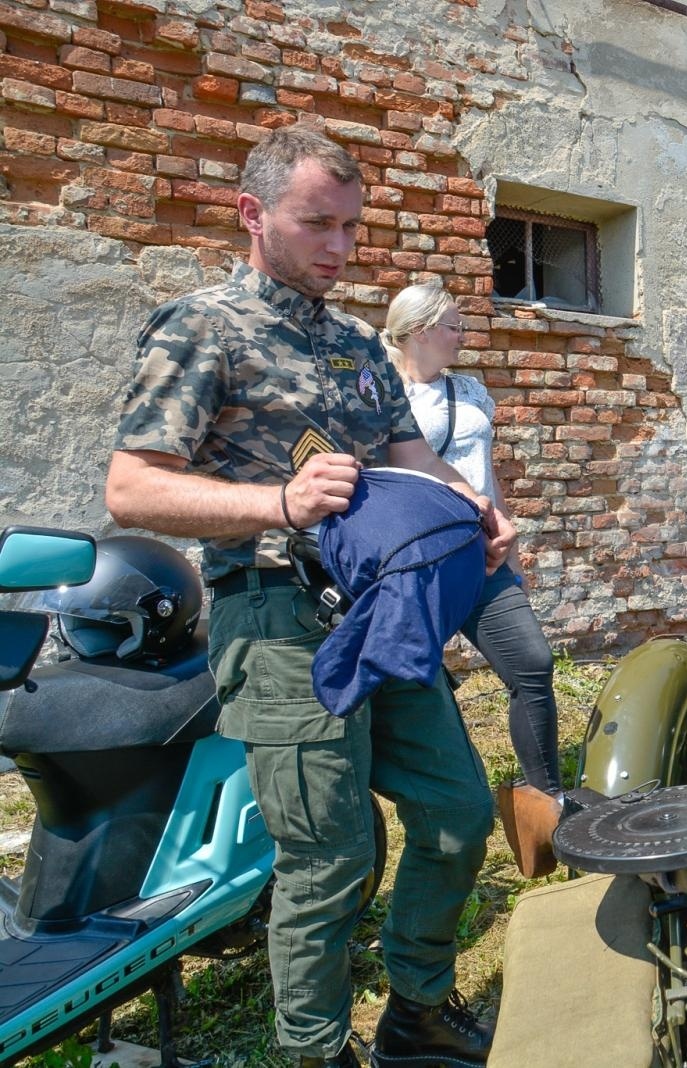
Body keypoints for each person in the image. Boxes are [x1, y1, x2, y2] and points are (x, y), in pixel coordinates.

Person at [104, 124, 512, 1068]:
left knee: (457, 816)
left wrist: (474, 508)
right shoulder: (201, 326)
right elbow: (132, 486)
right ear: (253, 215)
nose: (338, 247)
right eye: (316, 224)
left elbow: (408, 454)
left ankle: (415, 1010)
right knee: (329, 860)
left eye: (349, 228)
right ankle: (316, 1050)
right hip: (278, 616)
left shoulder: (361, 343)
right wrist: (277, 503)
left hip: (380, 612)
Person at [383, 283, 565, 877]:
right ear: (418, 332)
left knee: (532, 663)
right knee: (417, 689)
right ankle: (433, 815)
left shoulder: (471, 392)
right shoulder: (380, 396)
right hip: (417, 567)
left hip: (483, 555)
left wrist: (509, 539)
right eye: (454, 327)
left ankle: (546, 802)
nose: (464, 336)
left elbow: (485, 475)